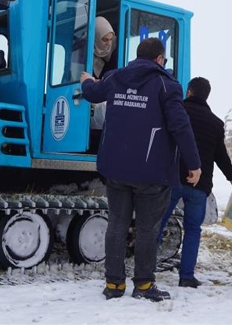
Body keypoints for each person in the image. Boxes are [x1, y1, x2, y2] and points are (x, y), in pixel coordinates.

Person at [80, 37, 201, 302]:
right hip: (152, 172)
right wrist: (193, 165)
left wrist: (87, 79)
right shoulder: (166, 85)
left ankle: (114, 285)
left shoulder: (115, 77)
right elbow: (180, 127)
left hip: (116, 169)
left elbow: (92, 93)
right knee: (147, 229)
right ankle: (144, 285)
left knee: (116, 225)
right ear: (159, 59)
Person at [157, 76, 232, 288]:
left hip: (172, 180)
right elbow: (221, 156)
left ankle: (145, 270)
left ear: (189, 92)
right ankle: (186, 277)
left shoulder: (178, 112)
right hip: (199, 186)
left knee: (156, 225)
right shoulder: (215, 123)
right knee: (193, 230)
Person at [89, 16, 118, 146]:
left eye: (110, 40)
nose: (108, 44)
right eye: (104, 40)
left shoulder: (114, 55)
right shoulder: (83, 55)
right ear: (94, 38)